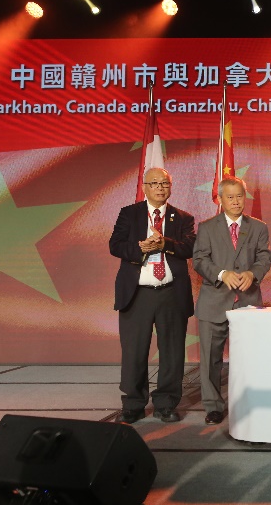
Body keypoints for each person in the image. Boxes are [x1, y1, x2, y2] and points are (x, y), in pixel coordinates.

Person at [109, 167, 195, 424]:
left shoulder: (182, 217)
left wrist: (164, 244)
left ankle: (166, 403)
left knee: (172, 352)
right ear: (145, 187)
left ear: (171, 187)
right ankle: (134, 404)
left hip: (171, 292)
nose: (160, 188)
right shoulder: (129, 213)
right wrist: (139, 249)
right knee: (134, 351)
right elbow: (115, 245)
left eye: (164, 184)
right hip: (138, 293)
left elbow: (190, 247)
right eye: (154, 183)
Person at [193, 176, 271, 425]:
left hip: (247, 301)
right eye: (230, 197)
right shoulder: (207, 227)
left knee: (248, 357)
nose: (236, 201)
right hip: (213, 302)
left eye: (240, 195)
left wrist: (253, 274)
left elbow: (264, 257)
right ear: (220, 199)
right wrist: (221, 274)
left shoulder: (258, 227)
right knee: (210, 359)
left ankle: (247, 402)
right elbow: (199, 260)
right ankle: (213, 407)